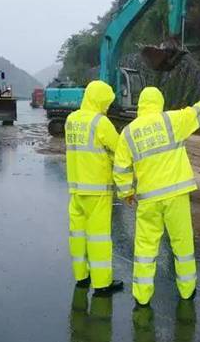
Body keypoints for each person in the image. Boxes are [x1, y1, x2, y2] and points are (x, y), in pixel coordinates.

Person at [113, 87, 200, 306]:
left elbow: (121, 168)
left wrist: (127, 192)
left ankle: (142, 296)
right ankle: (187, 291)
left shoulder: (128, 132)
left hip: (148, 199)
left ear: (140, 104)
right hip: (176, 195)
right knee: (182, 245)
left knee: (145, 248)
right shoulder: (172, 120)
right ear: (160, 101)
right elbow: (199, 110)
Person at [65, 80, 123, 295]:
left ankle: (81, 277)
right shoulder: (101, 123)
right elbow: (119, 149)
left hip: (76, 188)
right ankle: (101, 284)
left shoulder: (71, 120)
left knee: (78, 235)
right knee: (99, 237)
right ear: (99, 99)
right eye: (106, 102)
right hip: (97, 189)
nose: (107, 106)